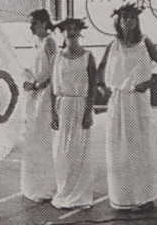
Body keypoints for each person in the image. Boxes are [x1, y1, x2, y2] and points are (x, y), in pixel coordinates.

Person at [96, 3, 157, 211]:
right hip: (118, 102)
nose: (128, 21)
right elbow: (100, 69)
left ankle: (144, 197)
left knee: (140, 149)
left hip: (138, 100)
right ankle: (122, 196)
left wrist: (150, 82)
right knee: (118, 149)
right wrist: (101, 87)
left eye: (132, 18)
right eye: (125, 17)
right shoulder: (113, 44)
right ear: (118, 21)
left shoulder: (146, 43)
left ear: (137, 21)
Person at [50, 18, 98, 210]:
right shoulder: (57, 57)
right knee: (62, 153)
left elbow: (93, 86)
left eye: (74, 29)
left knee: (79, 152)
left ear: (79, 32)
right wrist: (53, 113)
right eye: (66, 29)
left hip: (80, 105)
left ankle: (80, 194)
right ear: (62, 33)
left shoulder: (88, 56)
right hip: (63, 106)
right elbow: (53, 88)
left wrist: (88, 112)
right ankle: (64, 190)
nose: (70, 32)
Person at [20, 9, 57, 202]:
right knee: (33, 140)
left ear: (43, 23)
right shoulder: (36, 44)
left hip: (45, 96)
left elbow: (55, 71)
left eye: (33, 23)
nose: (30, 26)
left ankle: (46, 186)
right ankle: (34, 184)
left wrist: (36, 85)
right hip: (34, 96)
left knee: (43, 140)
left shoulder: (49, 42)